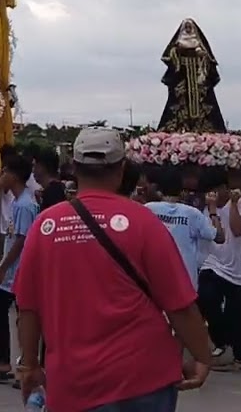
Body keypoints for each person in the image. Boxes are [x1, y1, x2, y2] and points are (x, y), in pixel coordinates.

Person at [15, 128, 213, 412]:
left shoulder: (46, 225)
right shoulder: (144, 223)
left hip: (74, 381)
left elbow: (28, 308)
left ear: (74, 169)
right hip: (144, 378)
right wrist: (202, 355)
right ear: (121, 169)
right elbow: (179, 305)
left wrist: (30, 364)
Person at [0, 154, 38, 384]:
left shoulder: (24, 205)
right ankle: (13, 362)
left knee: (9, 312)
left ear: (13, 176)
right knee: (4, 311)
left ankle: (15, 363)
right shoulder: (17, 201)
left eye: (3, 172)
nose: (1, 176)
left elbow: (22, 239)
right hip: (14, 270)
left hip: (18, 271)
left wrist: (2, 267)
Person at [197, 164, 241, 373]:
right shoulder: (207, 209)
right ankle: (221, 341)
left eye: (214, 191)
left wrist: (232, 204)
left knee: (238, 316)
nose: (211, 196)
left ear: (224, 187)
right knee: (205, 296)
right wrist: (213, 211)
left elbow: (238, 229)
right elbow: (217, 236)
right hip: (215, 264)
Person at [144, 165, 221, 290]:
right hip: (185, 283)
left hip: (155, 280)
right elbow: (218, 237)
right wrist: (213, 210)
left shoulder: (148, 209)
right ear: (181, 189)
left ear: (159, 189)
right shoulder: (192, 213)